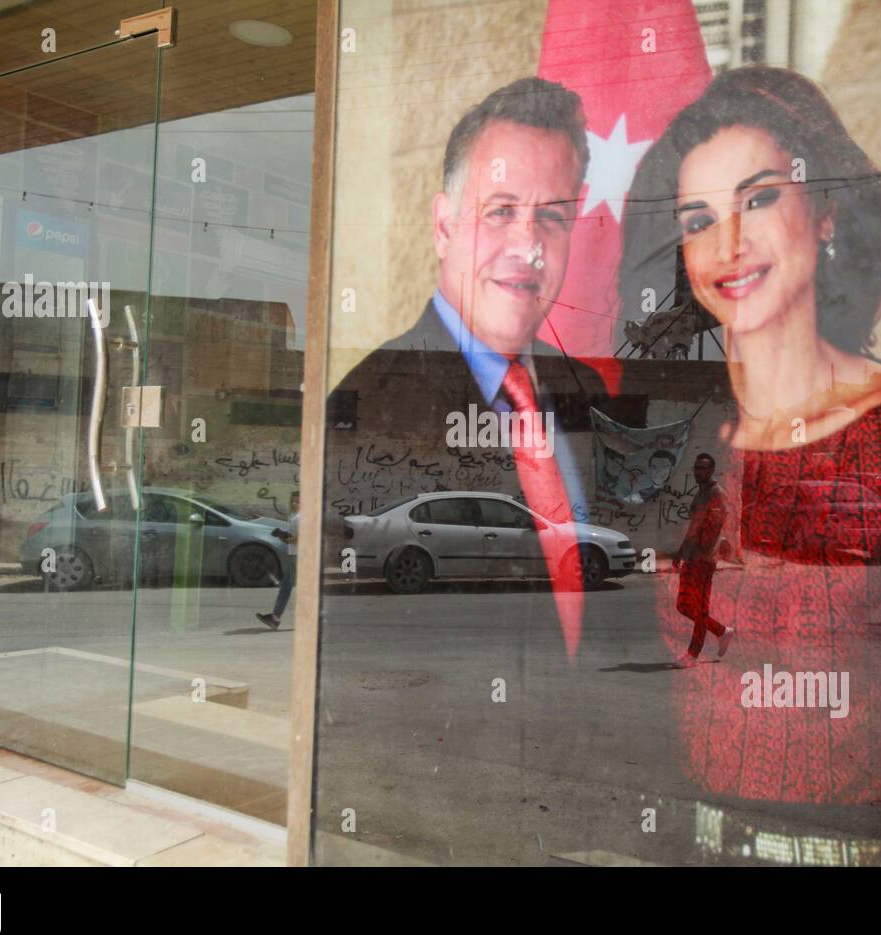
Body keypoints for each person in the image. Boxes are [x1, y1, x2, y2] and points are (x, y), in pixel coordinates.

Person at [622, 66, 881, 865]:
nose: (728, 244)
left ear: (825, 211)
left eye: (759, 198)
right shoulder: (683, 443)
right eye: (697, 219)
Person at [326, 76, 609, 657]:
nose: (527, 246)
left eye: (552, 217)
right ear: (444, 226)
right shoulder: (373, 380)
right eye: (500, 211)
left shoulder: (588, 385)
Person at [673, 452, 733, 667]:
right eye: (696, 468)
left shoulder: (716, 494)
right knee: (683, 605)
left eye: (702, 468)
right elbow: (694, 528)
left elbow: (714, 527)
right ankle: (721, 631)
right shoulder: (701, 493)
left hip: (704, 560)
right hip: (691, 558)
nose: (698, 471)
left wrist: (701, 553)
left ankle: (692, 655)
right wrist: (681, 553)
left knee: (700, 608)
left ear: (711, 470)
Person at [256, 490, 299, 630]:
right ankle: (275, 618)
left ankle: (275, 618)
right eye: (292, 501)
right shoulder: (294, 517)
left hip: (300, 556)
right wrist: (282, 535)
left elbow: (298, 538)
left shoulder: (300, 517)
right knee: (287, 586)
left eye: (298, 501)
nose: (294, 504)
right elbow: (290, 540)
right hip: (297, 555)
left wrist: (282, 535)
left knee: (287, 587)